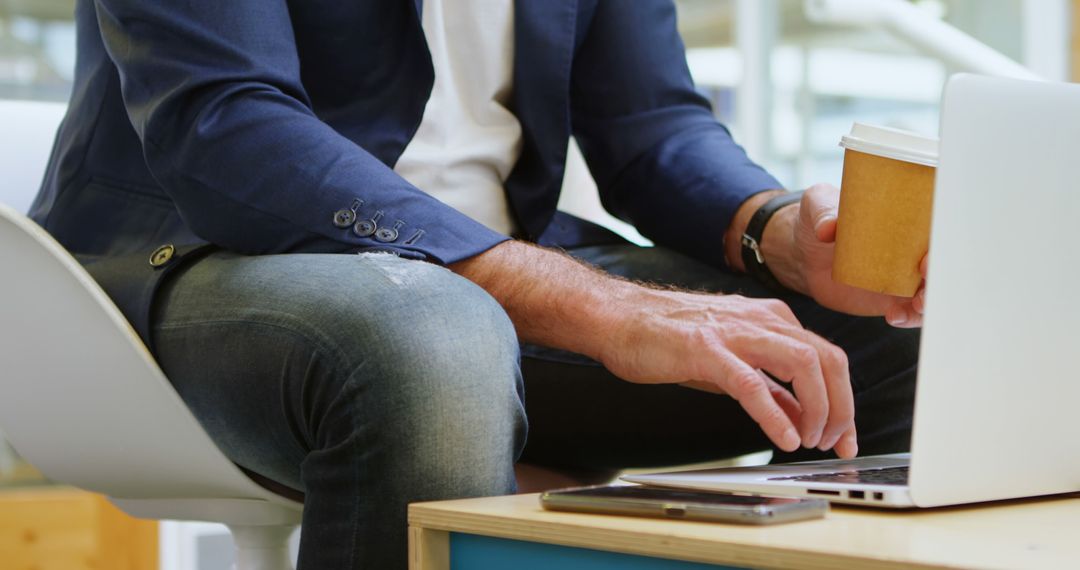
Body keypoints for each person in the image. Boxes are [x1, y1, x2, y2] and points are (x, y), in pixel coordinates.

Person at [30, 0, 924, 567]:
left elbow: (648, 123)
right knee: (434, 336)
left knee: (872, 333)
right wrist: (598, 308)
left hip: (490, 277)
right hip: (191, 260)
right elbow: (225, 125)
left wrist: (770, 229)